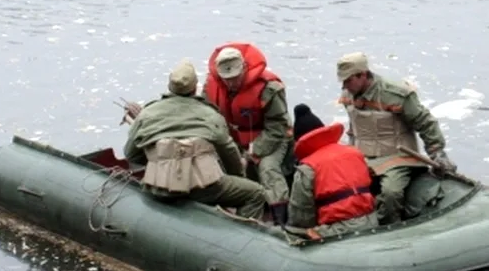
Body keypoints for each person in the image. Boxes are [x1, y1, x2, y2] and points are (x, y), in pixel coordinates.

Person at [124, 59, 267, 220]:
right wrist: (237, 176)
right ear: (194, 88)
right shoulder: (210, 115)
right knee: (256, 193)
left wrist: (162, 161)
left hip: (159, 188)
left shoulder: (147, 113)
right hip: (202, 190)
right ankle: (241, 238)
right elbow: (229, 152)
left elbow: (131, 154)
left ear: (169, 86)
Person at [335, 52, 455, 224]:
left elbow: (425, 123)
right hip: (363, 157)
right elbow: (354, 128)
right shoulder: (348, 95)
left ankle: (391, 228)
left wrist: (437, 153)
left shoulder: (396, 95)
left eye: (348, 80)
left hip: (397, 158)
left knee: (391, 193)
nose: (345, 85)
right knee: (341, 188)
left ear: (362, 75)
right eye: (343, 81)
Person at [204, 42, 293, 225]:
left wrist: (254, 152)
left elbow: (278, 127)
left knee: (268, 169)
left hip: (271, 138)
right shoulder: (211, 87)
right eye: (226, 79)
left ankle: (281, 220)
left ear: (244, 68)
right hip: (235, 138)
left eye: (235, 78)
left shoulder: (269, 89)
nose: (231, 83)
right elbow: (206, 116)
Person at [286, 104, 379, 238]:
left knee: (292, 232)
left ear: (299, 140)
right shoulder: (355, 153)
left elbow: (301, 218)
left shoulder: (307, 168)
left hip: (337, 232)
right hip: (372, 222)